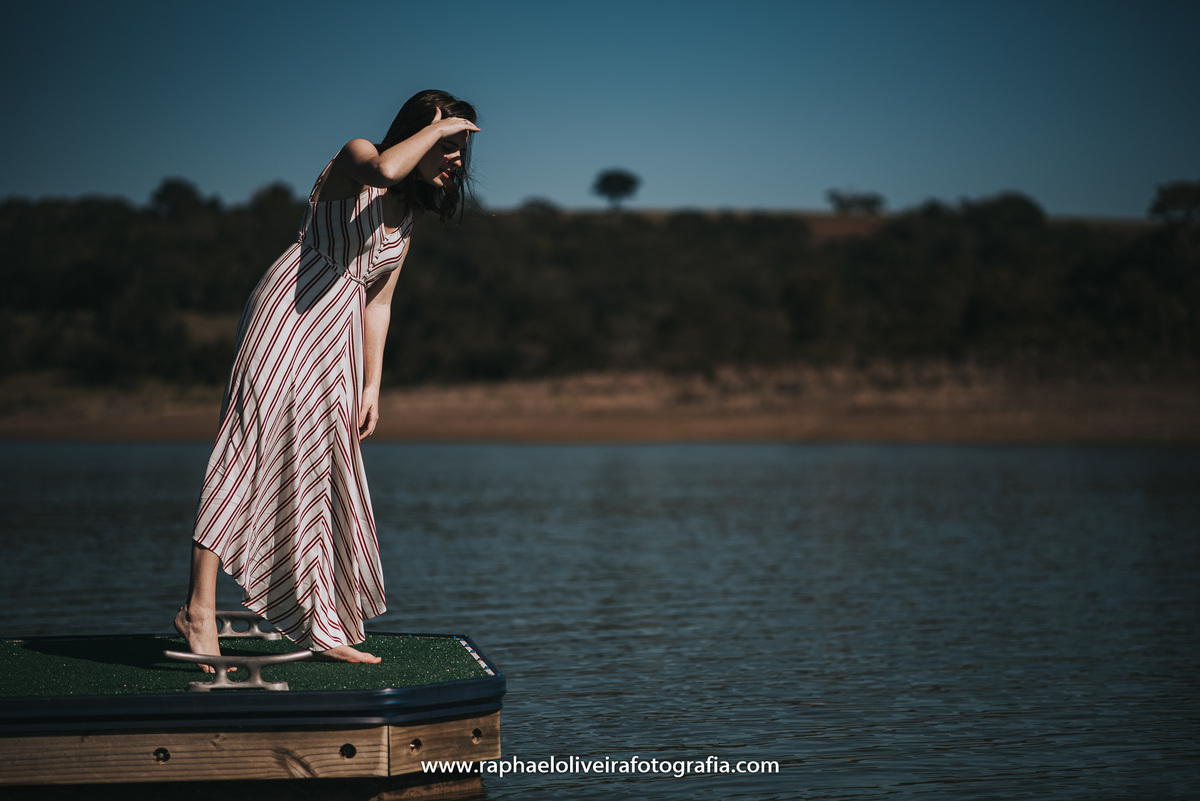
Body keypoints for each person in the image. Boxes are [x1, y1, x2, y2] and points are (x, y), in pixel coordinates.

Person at [175, 90, 480, 667]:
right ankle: (198, 609)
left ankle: (324, 625)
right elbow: (388, 167)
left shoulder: (407, 214)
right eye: (450, 145)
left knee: (325, 462)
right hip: (287, 307)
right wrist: (438, 130)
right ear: (420, 133)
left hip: (337, 331)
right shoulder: (358, 158)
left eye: (462, 149)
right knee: (248, 447)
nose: (458, 159)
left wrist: (372, 387)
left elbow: (379, 304)